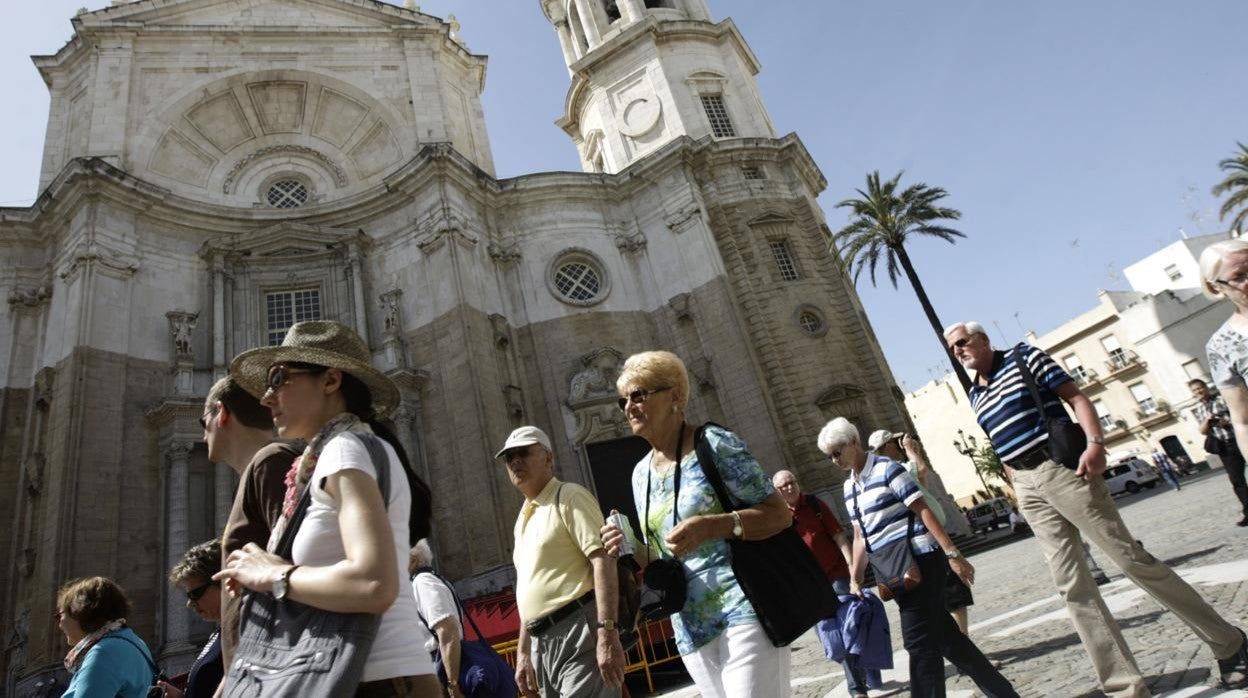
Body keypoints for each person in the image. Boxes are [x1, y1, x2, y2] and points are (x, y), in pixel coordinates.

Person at [945, 319, 1248, 694]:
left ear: (983, 339)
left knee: (1129, 560)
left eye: (962, 342)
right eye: (952, 349)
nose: (958, 351)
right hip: (1026, 486)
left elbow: (1077, 398)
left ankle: (1229, 642)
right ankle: (1124, 686)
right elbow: (999, 442)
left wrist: (1095, 444)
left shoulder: (1025, 359)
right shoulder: (976, 393)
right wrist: (1016, 487)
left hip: (1062, 468)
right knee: (1071, 586)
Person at [214, 320, 441, 697]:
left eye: (279, 378)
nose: (267, 397)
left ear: (331, 381)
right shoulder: (338, 453)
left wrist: (274, 575)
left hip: (374, 682)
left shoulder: (344, 449)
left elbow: (373, 584)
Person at [600, 350, 794, 698]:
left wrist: (712, 526)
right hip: (689, 630)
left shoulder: (714, 443)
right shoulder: (640, 474)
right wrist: (626, 543)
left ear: (675, 395)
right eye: (623, 400)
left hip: (745, 609)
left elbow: (779, 514)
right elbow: (659, 558)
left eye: (639, 395)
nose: (629, 406)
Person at [818, 418, 1018, 698]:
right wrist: (855, 578)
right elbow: (860, 535)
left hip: (922, 561)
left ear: (853, 441)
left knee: (919, 644)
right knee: (948, 640)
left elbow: (923, 509)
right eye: (829, 456)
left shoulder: (889, 469)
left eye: (837, 452)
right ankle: (1004, 693)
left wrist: (953, 553)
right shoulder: (849, 488)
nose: (834, 460)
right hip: (893, 571)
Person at [498, 425, 624, 698]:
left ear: (548, 457)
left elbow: (601, 560)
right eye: (509, 457)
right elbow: (527, 590)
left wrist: (607, 632)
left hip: (579, 630)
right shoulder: (523, 518)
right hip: (540, 643)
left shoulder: (568, 496)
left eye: (523, 452)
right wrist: (523, 653)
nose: (515, 461)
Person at [200, 375, 301, 674]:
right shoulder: (257, 471)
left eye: (202, 421)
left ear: (222, 413)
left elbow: (296, 560)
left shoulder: (271, 463)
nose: (203, 433)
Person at [868, 430, 976, 638]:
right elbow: (922, 469)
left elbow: (923, 487)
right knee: (954, 597)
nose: (898, 445)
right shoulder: (896, 469)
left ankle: (961, 648)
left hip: (916, 543)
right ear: (887, 446)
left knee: (940, 600)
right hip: (928, 539)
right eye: (894, 442)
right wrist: (910, 450)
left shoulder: (880, 474)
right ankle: (966, 648)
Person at [772, 470, 869, 698]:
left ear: (797, 483)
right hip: (809, 585)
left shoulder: (814, 504)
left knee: (849, 628)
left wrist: (852, 568)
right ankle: (864, 667)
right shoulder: (777, 517)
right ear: (776, 492)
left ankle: (857, 688)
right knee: (832, 640)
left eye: (791, 483)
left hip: (837, 576)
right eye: (782, 486)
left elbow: (838, 535)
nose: (788, 488)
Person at [57, 576, 157, 698]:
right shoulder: (131, 641)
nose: (60, 624)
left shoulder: (104, 652)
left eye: (60, 615)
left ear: (78, 612)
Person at [159, 540, 225, 698]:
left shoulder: (243, 633)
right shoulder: (221, 632)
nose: (189, 604)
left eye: (195, 594)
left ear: (223, 581)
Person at [409, 540, 466, 698]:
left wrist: (453, 684)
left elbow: (447, 630)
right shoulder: (432, 579)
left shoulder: (423, 583)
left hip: (441, 669)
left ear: (413, 560)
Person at [1189, 376, 1248, 526]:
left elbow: (1240, 415)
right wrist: (1207, 421)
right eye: (1195, 390)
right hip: (1224, 447)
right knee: (1237, 480)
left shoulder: (1221, 399)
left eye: (1200, 388)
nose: (1198, 391)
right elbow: (1202, 431)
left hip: (1239, 440)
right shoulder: (1200, 409)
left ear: (1206, 388)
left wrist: (1224, 422)